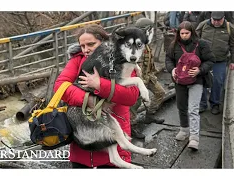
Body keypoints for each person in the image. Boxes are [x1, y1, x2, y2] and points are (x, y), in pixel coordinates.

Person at [54, 24, 140, 168]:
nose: (86, 50)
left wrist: (100, 86)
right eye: (82, 46)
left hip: (113, 138)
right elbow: (60, 86)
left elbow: (131, 96)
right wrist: (88, 100)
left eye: (91, 44)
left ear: (104, 42)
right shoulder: (76, 60)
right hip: (82, 143)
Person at [165, 21, 215, 150]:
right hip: (179, 80)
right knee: (181, 106)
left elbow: (210, 60)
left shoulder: (201, 44)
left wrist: (200, 70)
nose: (184, 36)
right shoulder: (174, 45)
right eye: (182, 33)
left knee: (193, 109)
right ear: (178, 33)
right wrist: (172, 69)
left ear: (192, 32)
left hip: (196, 80)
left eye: (187, 33)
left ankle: (194, 137)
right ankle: (184, 129)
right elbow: (169, 59)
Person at [196, 11, 234, 115]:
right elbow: (195, 40)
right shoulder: (203, 25)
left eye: (218, 20)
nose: (216, 22)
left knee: (218, 82)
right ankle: (202, 103)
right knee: (201, 81)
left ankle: (215, 103)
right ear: (211, 17)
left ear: (223, 18)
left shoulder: (229, 27)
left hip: (219, 60)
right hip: (203, 60)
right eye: (214, 20)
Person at [130, 17, 166, 139]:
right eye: (150, 29)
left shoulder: (145, 42)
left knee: (160, 92)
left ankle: (149, 115)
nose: (152, 32)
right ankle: (132, 126)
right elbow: (133, 66)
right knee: (135, 103)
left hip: (148, 76)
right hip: (138, 80)